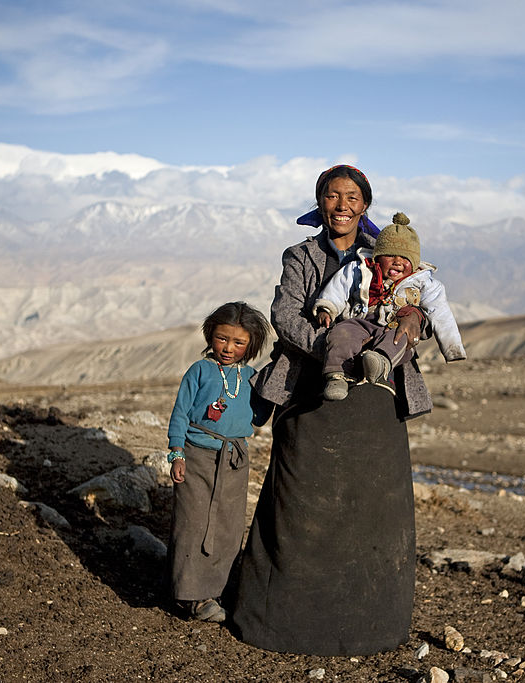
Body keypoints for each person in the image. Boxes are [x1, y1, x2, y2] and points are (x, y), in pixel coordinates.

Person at [228, 165, 426, 656]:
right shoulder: (299, 256)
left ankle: (371, 621)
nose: (342, 205)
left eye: (352, 197)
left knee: (371, 505)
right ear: (320, 204)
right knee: (297, 502)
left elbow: (412, 306)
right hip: (308, 386)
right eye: (332, 196)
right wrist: (335, 352)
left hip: (375, 395)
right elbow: (284, 314)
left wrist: (401, 331)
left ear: (365, 206)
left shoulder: (388, 257)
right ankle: (281, 621)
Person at [166, 301, 271, 623]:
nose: (228, 348)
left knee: (227, 527)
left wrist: (271, 389)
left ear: (250, 345)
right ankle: (190, 597)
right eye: (222, 339)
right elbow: (180, 413)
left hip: (235, 461)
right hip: (197, 456)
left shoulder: (252, 376)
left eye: (239, 343)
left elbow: (259, 419)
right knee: (192, 524)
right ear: (210, 335)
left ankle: (216, 591)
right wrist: (176, 453)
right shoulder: (199, 371)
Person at [314, 211, 466, 400]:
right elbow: (338, 288)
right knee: (342, 333)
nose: (398, 262)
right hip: (360, 321)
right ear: (378, 255)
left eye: (405, 258)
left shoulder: (424, 283)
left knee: (399, 338)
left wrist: (452, 348)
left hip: (394, 326)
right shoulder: (360, 269)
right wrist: (327, 308)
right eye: (390, 255)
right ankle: (336, 376)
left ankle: (380, 363)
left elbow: (441, 313)